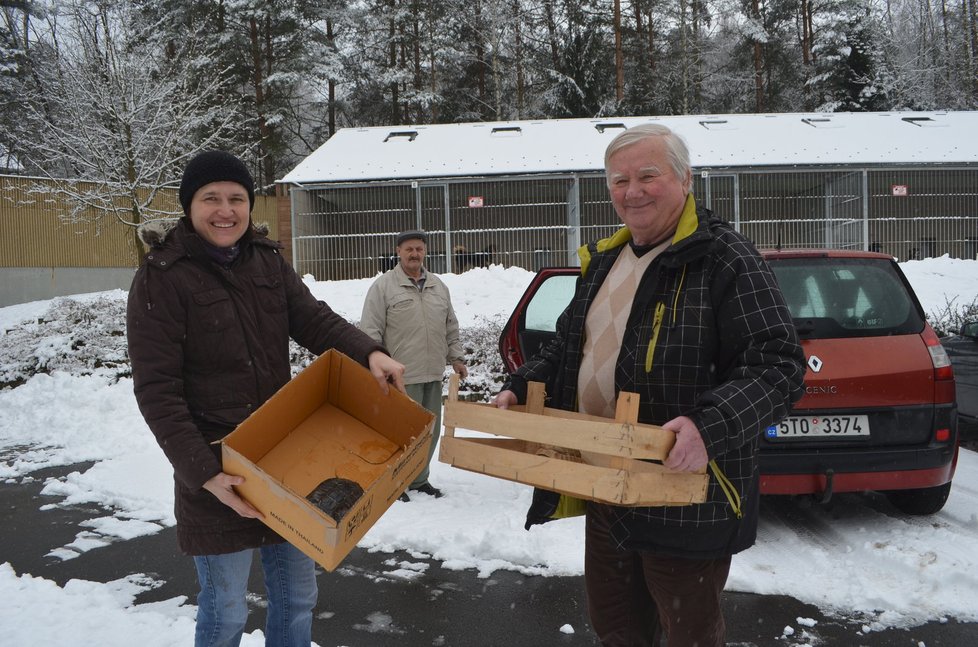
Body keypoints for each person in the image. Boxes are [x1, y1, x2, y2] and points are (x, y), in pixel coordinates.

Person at [493, 124, 806, 647]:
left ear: (684, 179)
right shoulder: (605, 262)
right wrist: (523, 384)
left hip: (684, 495)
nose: (632, 191)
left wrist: (711, 426)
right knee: (617, 629)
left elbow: (779, 366)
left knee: (689, 635)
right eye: (619, 180)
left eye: (647, 175)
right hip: (606, 487)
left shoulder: (724, 257)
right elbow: (568, 348)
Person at [127, 150, 406, 647]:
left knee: (297, 600)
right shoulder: (162, 278)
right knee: (225, 611)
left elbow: (315, 320)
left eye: (237, 198)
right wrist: (204, 473)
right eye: (210, 198)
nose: (225, 210)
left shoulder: (266, 262)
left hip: (285, 463)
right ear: (189, 205)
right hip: (218, 473)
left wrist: (370, 354)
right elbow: (156, 390)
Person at [359, 229, 467, 500]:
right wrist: (376, 366)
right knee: (398, 434)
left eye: (419, 249)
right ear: (398, 252)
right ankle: (394, 483)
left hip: (432, 372)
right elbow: (370, 331)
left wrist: (456, 358)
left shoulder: (438, 286)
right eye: (409, 249)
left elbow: (450, 326)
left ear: (425, 252)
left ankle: (419, 480)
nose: (414, 254)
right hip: (400, 377)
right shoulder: (383, 287)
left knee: (428, 432)